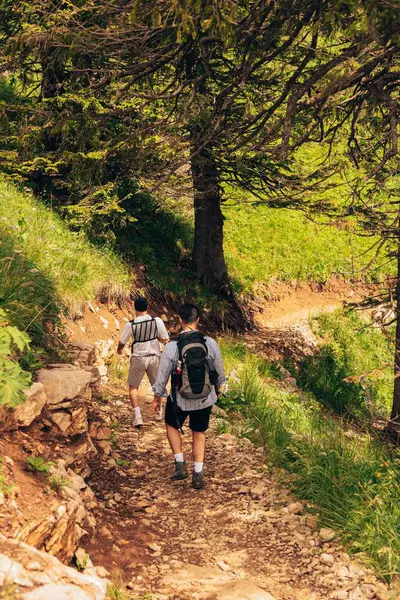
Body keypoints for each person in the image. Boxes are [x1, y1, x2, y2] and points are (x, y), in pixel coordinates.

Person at [152, 303, 225, 489]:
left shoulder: (172, 347)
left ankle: (180, 464)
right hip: (204, 397)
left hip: (180, 398)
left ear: (180, 320)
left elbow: (162, 374)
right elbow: (219, 371)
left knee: (171, 425)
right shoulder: (209, 343)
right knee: (198, 432)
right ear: (198, 320)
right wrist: (217, 390)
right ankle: (198, 474)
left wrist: (158, 396)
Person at [117, 297, 169, 427]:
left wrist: (119, 350)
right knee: (157, 385)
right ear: (147, 307)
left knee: (133, 387)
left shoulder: (131, 324)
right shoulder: (156, 321)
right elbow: (165, 339)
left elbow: (122, 341)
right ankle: (158, 412)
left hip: (138, 358)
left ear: (135, 308)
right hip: (154, 357)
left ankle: (138, 417)